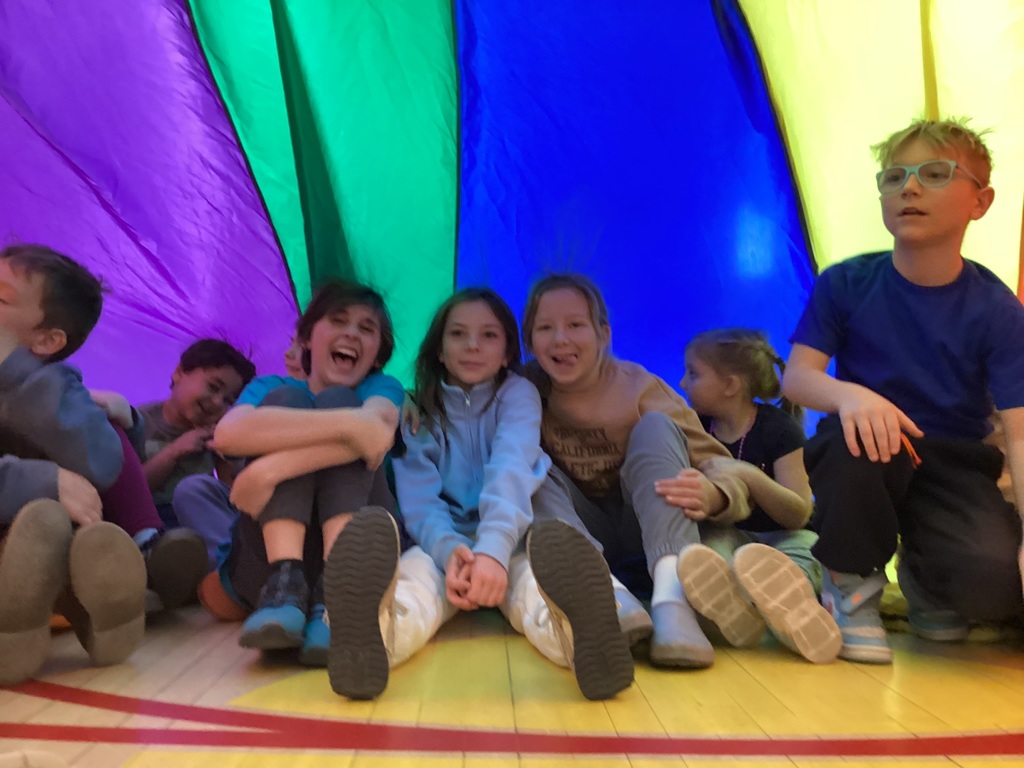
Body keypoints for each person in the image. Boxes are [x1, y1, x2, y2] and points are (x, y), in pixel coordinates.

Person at [782, 118, 1024, 663]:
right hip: (869, 448)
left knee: (995, 586)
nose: (908, 188)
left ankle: (926, 582)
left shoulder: (997, 309)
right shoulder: (845, 283)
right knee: (860, 438)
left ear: (980, 202)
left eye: (934, 174)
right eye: (893, 178)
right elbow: (797, 377)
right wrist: (851, 396)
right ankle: (850, 584)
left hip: (955, 469)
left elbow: (1019, 433)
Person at [325, 289, 632, 700]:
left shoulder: (518, 395)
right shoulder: (420, 412)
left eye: (489, 335)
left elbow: (511, 466)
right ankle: (371, 636)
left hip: (515, 540)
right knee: (416, 590)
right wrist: (451, 551)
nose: (472, 345)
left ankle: (586, 639)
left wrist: (492, 553)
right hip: (443, 546)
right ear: (439, 349)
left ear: (508, 352)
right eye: (458, 334)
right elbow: (419, 501)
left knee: (535, 595)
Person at [519, 273, 751, 668]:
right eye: (545, 328)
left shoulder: (640, 388)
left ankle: (672, 600)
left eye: (576, 325)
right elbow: (465, 407)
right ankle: (602, 596)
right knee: (526, 465)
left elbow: (719, 464)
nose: (560, 339)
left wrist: (717, 494)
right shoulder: (523, 388)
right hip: (583, 533)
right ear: (530, 343)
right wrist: (407, 402)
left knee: (658, 428)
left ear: (603, 334)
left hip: (647, 529)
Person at [200, 280, 406, 668]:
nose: (351, 333)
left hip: (358, 551)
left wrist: (267, 471)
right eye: (339, 320)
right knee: (293, 401)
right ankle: (285, 586)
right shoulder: (270, 387)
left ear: (378, 354)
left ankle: (337, 594)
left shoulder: (381, 387)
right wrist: (349, 429)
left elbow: (376, 435)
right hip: (264, 557)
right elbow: (228, 434)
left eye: (366, 328)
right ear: (308, 338)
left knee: (340, 402)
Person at [0, 244, 145, 684]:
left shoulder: (45, 381)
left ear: (46, 341)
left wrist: (17, 372)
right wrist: (41, 481)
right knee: (42, 521)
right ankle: (23, 620)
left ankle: (91, 609)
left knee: (50, 529)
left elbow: (101, 460)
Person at [676, 328, 840, 664]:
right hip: (730, 533)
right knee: (711, 554)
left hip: (784, 535)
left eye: (693, 373)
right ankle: (741, 611)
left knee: (804, 550)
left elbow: (797, 512)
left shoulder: (779, 429)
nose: (682, 383)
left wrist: (750, 476)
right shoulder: (694, 426)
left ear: (730, 385)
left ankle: (791, 611)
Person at [132, 339, 255, 561]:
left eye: (228, 401)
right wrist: (175, 451)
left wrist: (229, 452)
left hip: (194, 523)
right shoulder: (139, 422)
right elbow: (132, 491)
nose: (217, 402)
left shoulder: (215, 435)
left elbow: (232, 498)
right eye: (213, 387)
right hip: (147, 522)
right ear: (179, 373)